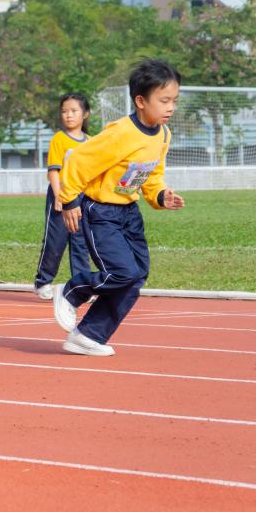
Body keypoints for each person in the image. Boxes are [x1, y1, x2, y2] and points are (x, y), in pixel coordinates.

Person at [52, 60, 186, 356]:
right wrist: (69, 200)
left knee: (136, 276)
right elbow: (78, 160)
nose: (171, 108)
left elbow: (152, 174)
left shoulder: (163, 135)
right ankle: (72, 290)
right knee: (122, 272)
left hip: (128, 213)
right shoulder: (121, 133)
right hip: (101, 212)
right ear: (141, 101)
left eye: (174, 101)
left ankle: (88, 335)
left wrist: (160, 196)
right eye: (164, 100)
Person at [33, 94, 93, 301]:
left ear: (85, 114)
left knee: (81, 243)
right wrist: (59, 196)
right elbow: (53, 171)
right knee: (55, 241)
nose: (68, 115)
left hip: (82, 197)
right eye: (65, 111)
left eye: (74, 111)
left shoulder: (91, 142)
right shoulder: (59, 139)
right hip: (61, 195)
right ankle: (43, 281)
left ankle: (81, 285)